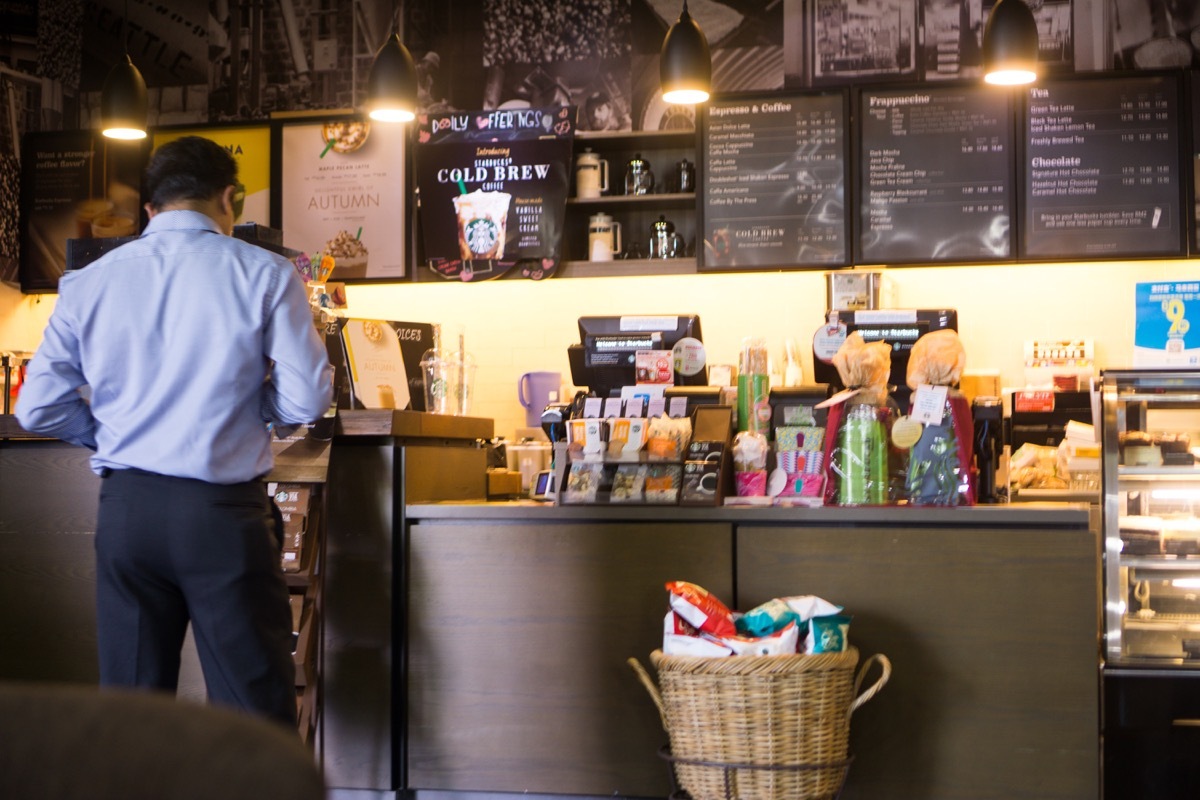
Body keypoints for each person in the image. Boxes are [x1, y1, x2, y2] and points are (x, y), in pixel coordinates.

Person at [16, 136, 334, 728]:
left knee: (133, 719)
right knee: (251, 718)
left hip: (126, 511)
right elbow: (308, 397)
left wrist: (109, 433)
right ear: (228, 198)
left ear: (149, 209)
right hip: (220, 516)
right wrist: (247, 406)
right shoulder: (265, 273)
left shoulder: (89, 280)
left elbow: (37, 408)